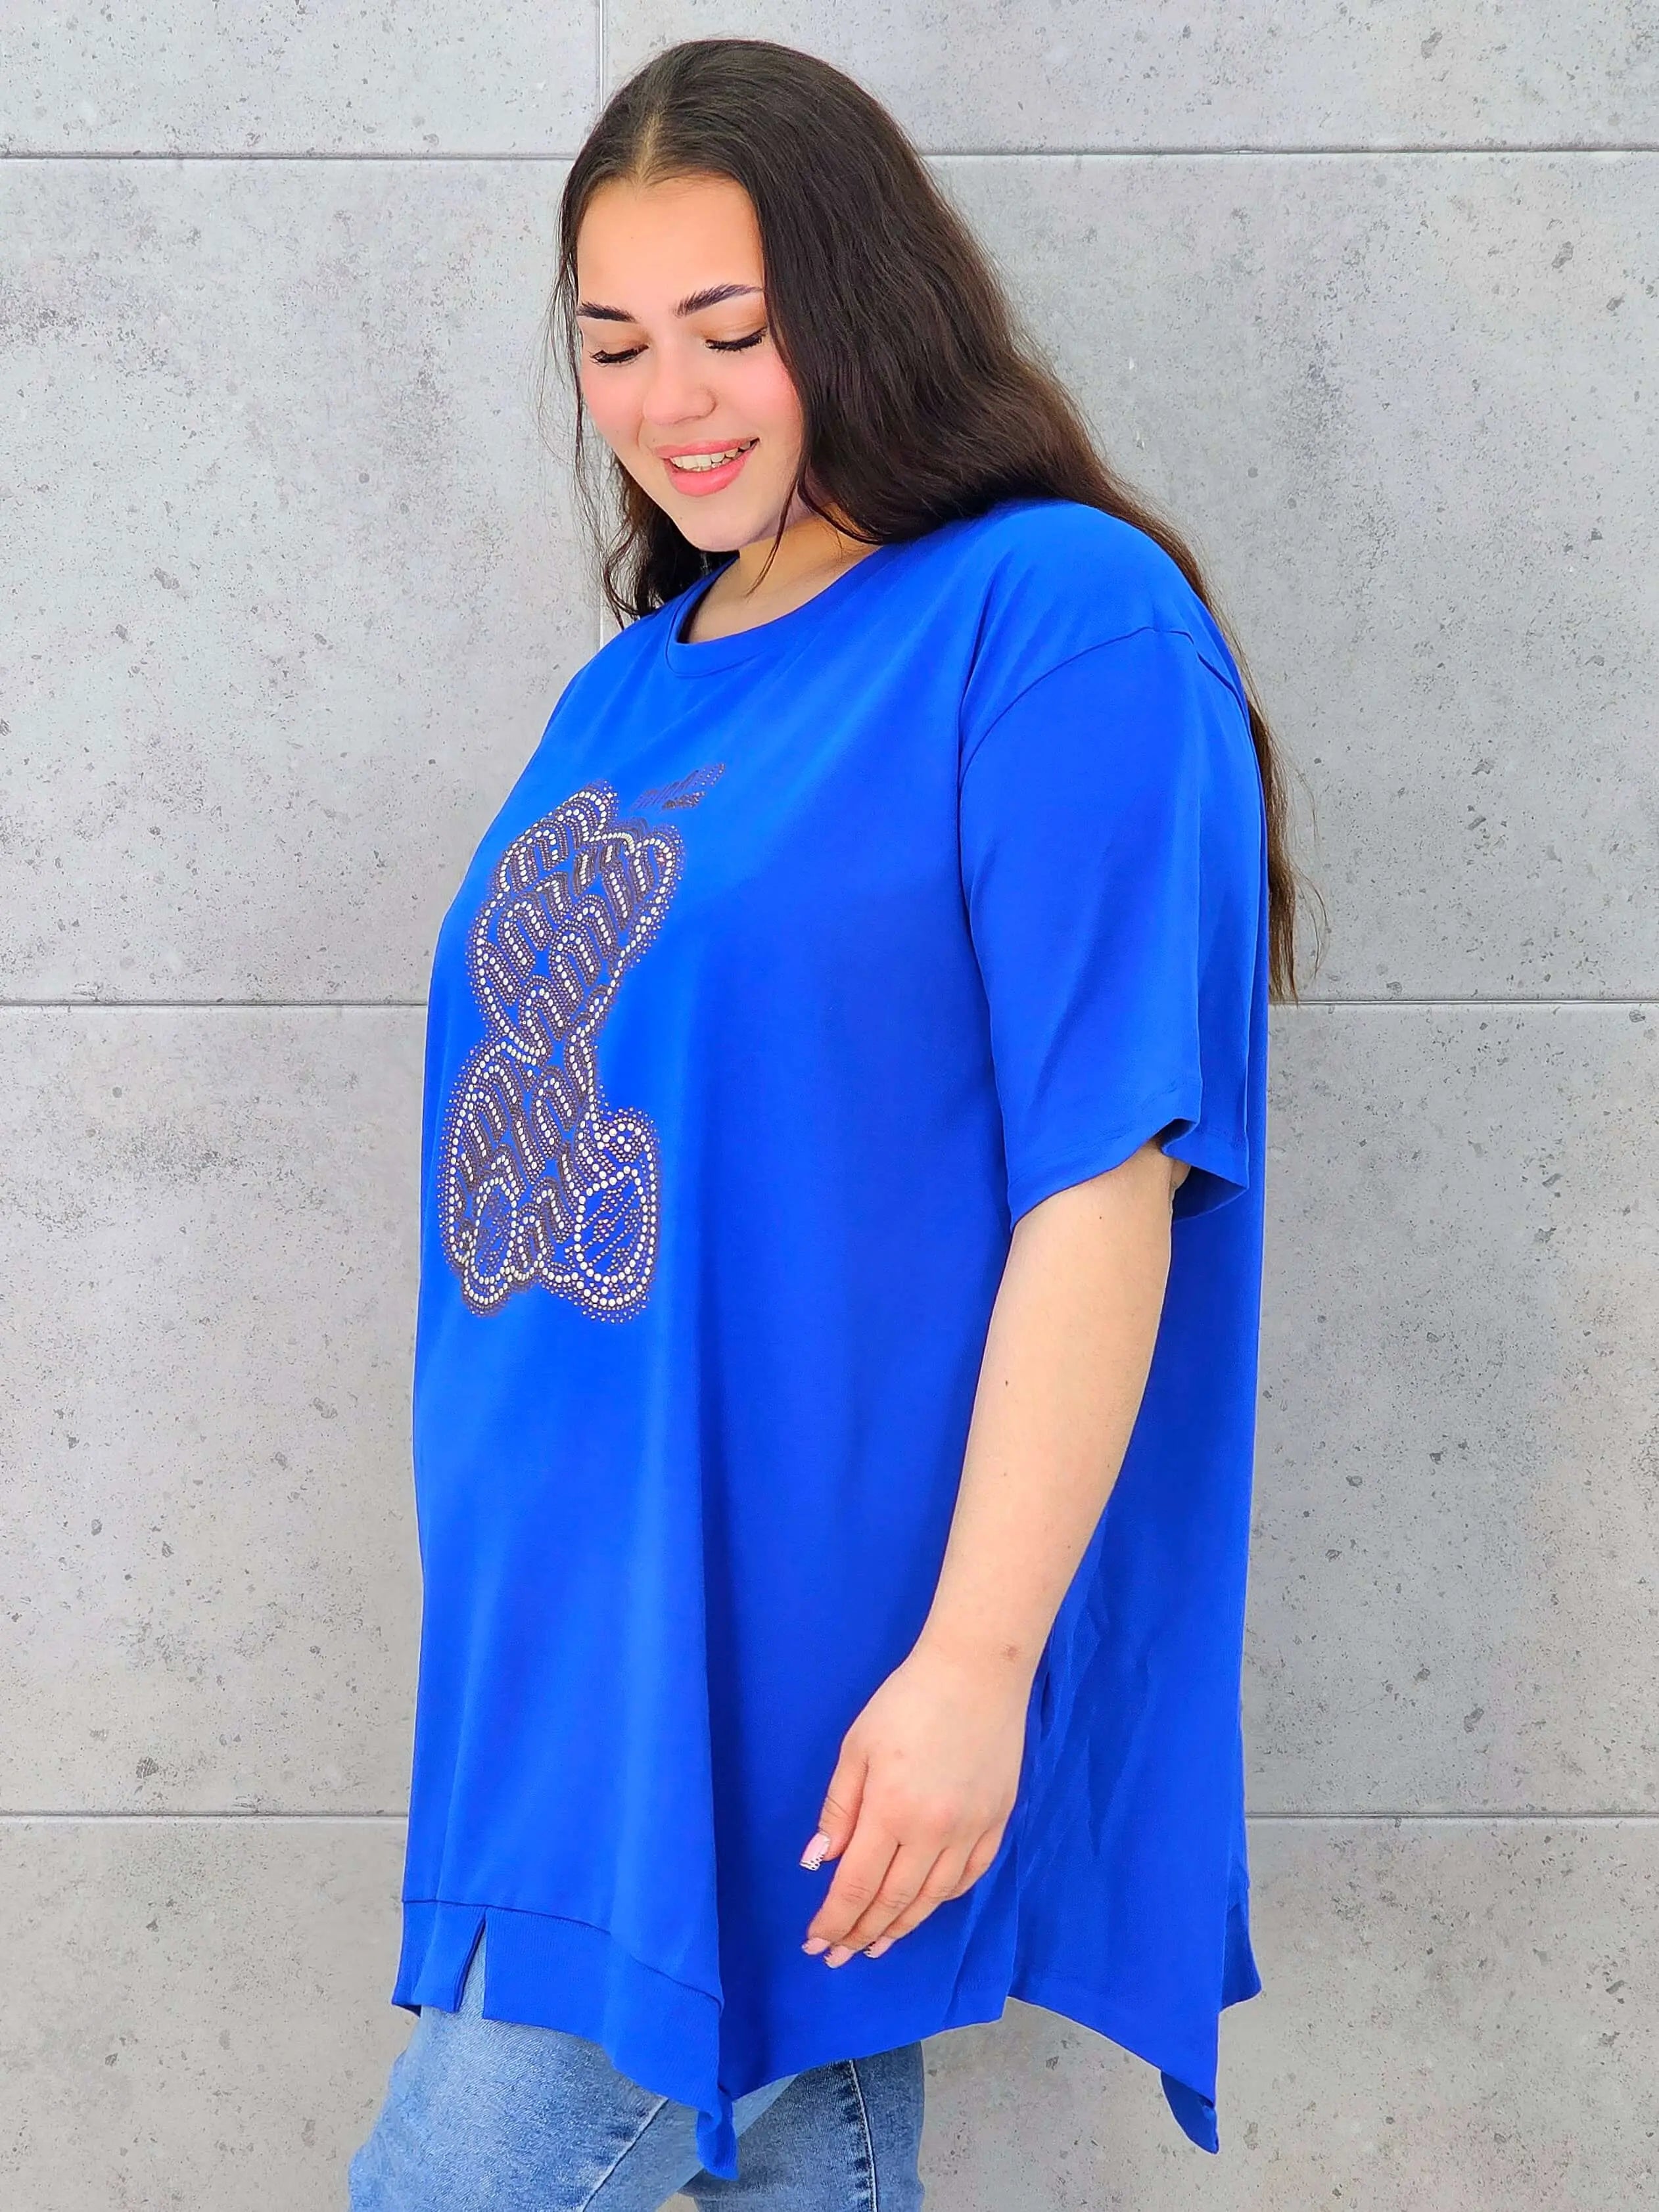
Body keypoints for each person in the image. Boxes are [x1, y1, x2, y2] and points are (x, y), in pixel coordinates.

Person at [348, 35, 1302, 2212]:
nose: (668, 400)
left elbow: (1107, 1177)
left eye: (729, 328)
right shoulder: (633, 680)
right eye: (613, 344)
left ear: (862, 307)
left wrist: (975, 1666)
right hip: (563, 1659)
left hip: (791, 1654)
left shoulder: (1048, 617)